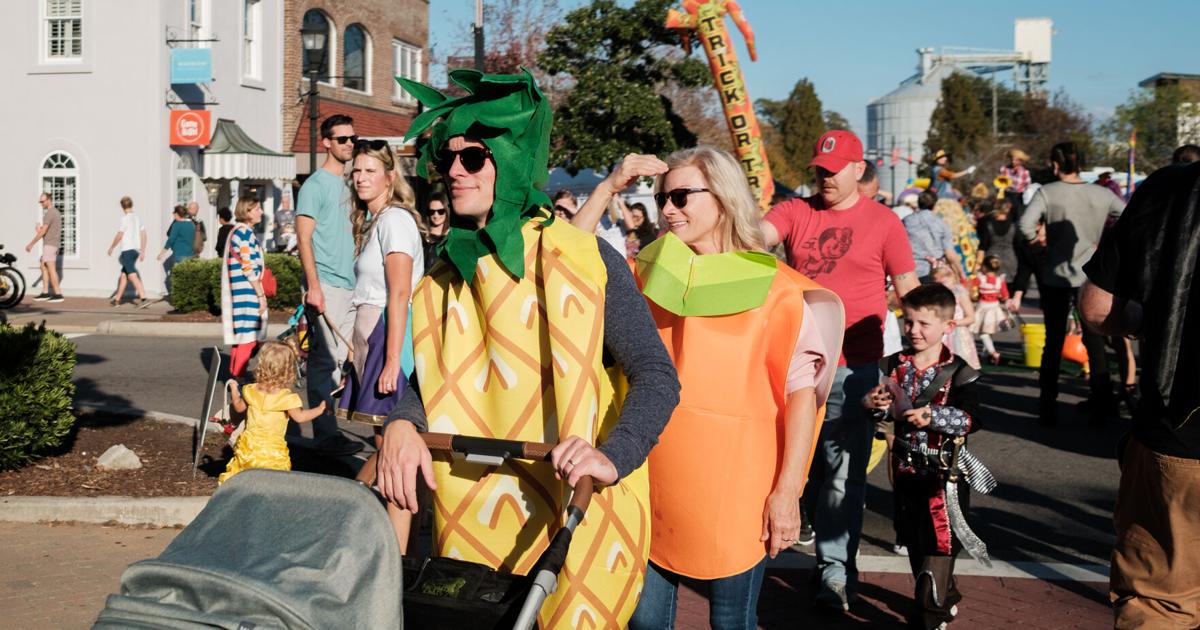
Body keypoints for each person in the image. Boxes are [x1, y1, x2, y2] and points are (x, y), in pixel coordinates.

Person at [379, 69, 680, 629]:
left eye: (474, 159)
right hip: (473, 513)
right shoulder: (443, 274)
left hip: (576, 512)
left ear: (512, 159)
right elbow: (432, 384)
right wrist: (401, 421)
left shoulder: (584, 259)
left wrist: (613, 455)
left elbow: (656, 374)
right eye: (448, 160)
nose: (454, 173)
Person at [576, 147, 843, 629]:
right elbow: (570, 262)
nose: (667, 209)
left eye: (681, 196)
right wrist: (607, 187)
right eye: (662, 198)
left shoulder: (780, 290)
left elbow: (801, 397)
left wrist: (788, 492)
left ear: (722, 197)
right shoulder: (647, 275)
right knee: (644, 623)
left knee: (731, 622)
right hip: (650, 476)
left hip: (739, 489)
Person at [761, 129, 919, 611]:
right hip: (796, 364)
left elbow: (909, 288)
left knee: (842, 477)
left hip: (856, 369)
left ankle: (834, 574)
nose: (824, 178)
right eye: (819, 170)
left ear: (857, 170)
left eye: (833, 171)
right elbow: (754, 238)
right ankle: (796, 540)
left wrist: (933, 346)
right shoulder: (795, 212)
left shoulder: (884, 221)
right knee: (789, 464)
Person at [1080, 160, 1200, 629]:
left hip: (1180, 431)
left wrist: (1154, 324)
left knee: (1159, 605)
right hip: (1176, 435)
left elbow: (1097, 306)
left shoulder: (1171, 189)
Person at [863, 283, 983, 630]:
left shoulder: (960, 371)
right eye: (909, 321)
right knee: (914, 540)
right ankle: (944, 592)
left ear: (948, 326)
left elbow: (974, 418)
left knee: (941, 542)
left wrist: (936, 416)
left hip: (945, 475)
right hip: (903, 470)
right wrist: (874, 404)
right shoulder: (892, 365)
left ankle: (931, 615)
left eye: (923, 324)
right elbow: (876, 411)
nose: (913, 331)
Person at [336, 139, 424, 548]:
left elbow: (400, 293)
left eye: (370, 170)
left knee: (393, 452)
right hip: (371, 339)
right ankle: (381, 540)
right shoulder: (378, 222)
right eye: (356, 171)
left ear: (391, 176)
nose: (361, 178)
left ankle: (393, 553)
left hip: (391, 341)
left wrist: (391, 361)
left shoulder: (395, 221)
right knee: (385, 448)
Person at [1019, 142, 1124, 425]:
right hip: (1092, 273)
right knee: (1095, 339)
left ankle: (1047, 404)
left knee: (1053, 340)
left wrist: (1039, 249)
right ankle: (1102, 401)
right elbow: (1129, 217)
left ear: (1055, 165)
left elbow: (1025, 225)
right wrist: (1106, 248)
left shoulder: (1047, 192)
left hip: (1055, 273)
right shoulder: (1101, 193)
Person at [296, 113, 364, 456]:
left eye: (352, 139)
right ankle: (325, 435)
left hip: (355, 284)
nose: (349, 144)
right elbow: (304, 239)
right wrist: (314, 286)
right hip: (328, 285)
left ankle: (337, 426)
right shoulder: (314, 186)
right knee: (326, 364)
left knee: (353, 359)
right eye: (342, 139)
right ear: (326, 142)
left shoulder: (354, 183)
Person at [218, 341, 327, 484]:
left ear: (262, 366)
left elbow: (238, 408)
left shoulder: (251, 390)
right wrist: (319, 409)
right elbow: (300, 417)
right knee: (271, 484)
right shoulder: (287, 398)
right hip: (272, 452)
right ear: (288, 370)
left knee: (244, 481)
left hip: (248, 448)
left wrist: (234, 389)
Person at [221, 196, 268, 378]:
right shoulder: (245, 233)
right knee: (248, 338)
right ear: (247, 212)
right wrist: (260, 295)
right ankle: (238, 378)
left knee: (241, 338)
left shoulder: (236, 232)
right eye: (257, 209)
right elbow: (248, 267)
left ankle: (233, 377)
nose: (261, 212)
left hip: (239, 294)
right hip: (247, 294)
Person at [905, 189, 962, 283]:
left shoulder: (906, 221)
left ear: (918, 203)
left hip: (910, 270)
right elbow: (950, 254)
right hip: (935, 272)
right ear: (935, 204)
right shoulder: (942, 224)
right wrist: (960, 272)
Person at [933, 264, 979, 370]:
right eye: (937, 282)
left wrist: (955, 322)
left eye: (943, 280)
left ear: (952, 277)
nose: (941, 284)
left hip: (958, 333)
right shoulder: (938, 295)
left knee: (959, 365)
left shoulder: (959, 293)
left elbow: (971, 317)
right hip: (941, 333)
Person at [106, 196, 149, 308]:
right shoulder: (137, 218)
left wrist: (112, 247)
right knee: (124, 275)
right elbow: (144, 234)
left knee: (132, 275)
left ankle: (143, 298)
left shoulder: (124, 219)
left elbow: (120, 234)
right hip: (135, 250)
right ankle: (117, 300)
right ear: (131, 204)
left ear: (122, 206)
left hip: (127, 250)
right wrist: (143, 250)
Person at [971, 255, 1011, 365]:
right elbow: (1005, 296)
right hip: (995, 308)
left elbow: (970, 285)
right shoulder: (1000, 280)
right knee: (989, 331)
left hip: (983, 307)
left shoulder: (980, 278)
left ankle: (993, 353)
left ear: (985, 267)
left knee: (983, 333)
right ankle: (985, 353)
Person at [25, 192, 63, 302]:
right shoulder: (55, 212)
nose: (41, 203)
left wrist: (31, 244)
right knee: (43, 265)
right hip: (51, 243)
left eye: (42, 201)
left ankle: (58, 294)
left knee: (51, 268)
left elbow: (44, 231)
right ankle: (45, 292)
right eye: (40, 201)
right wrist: (40, 230)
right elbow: (48, 231)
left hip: (50, 244)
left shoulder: (50, 213)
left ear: (48, 200)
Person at [975, 200, 1018, 292]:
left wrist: (977, 264)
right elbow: (1017, 243)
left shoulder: (987, 224)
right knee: (1007, 291)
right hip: (1010, 260)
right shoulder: (1013, 225)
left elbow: (983, 245)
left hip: (992, 260)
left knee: (990, 289)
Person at [158, 205, 195, 296]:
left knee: (178, 279)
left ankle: (179, 300)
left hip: (179, 255)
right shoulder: (191, 224)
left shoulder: (177, 224)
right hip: (190, 254)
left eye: (174, 213)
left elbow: (171, 239)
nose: (173, 215)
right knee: (188, 279)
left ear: (177, 214)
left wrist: (162, 253)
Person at [421, 193, 448, 273]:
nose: (436, 215)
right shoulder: (420, 235)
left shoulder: (451, 236)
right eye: (431, 212)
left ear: (446, 211)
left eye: (440, 211)